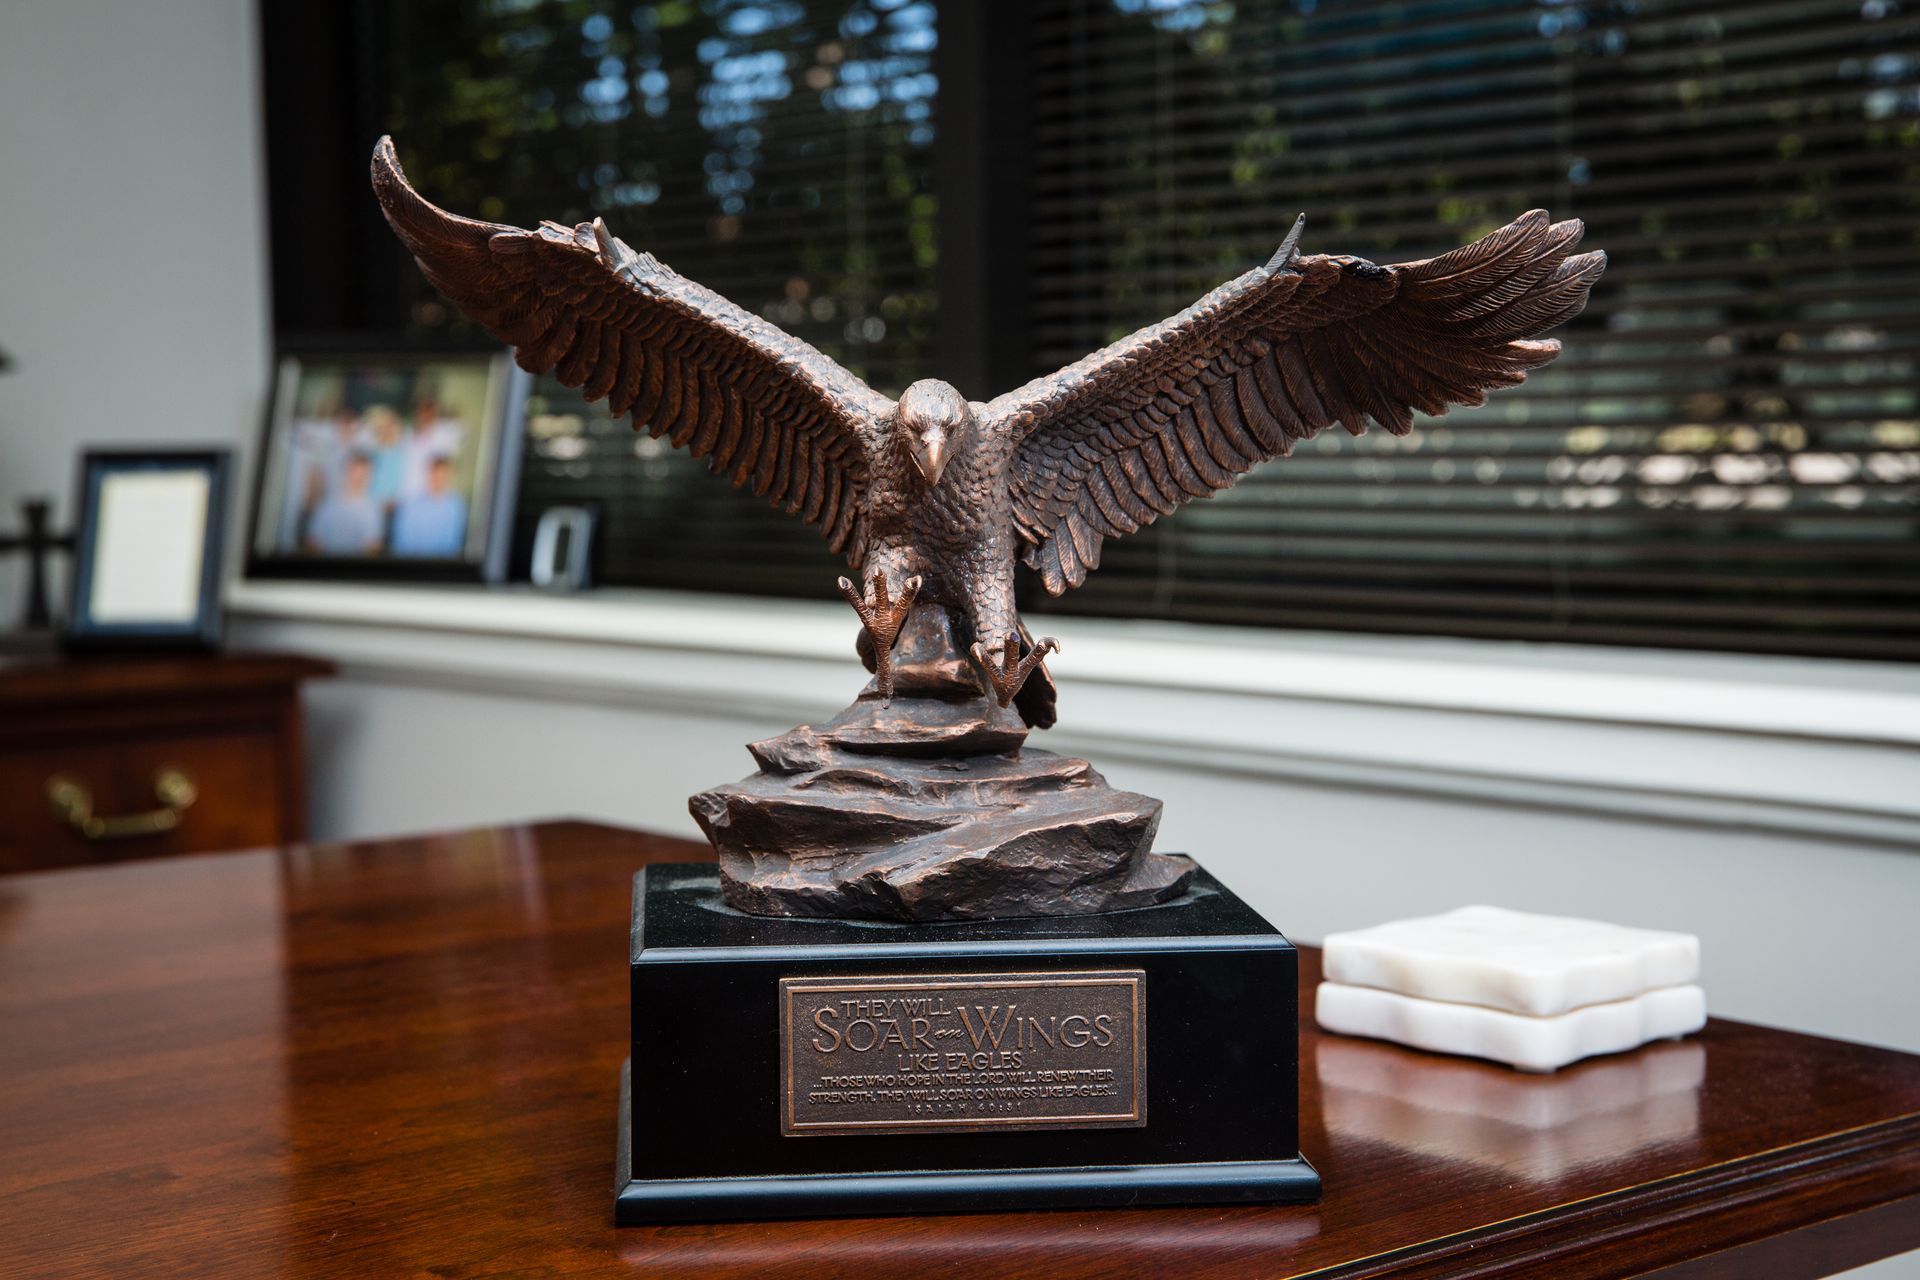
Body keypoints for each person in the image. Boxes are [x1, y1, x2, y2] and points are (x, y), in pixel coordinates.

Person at [304, 453, 384, 555]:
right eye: (355, 471)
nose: (359, 477)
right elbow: (313, 542)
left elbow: (372, 548)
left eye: (365, 474)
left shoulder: (373, 510)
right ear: (347, 471)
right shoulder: (327, 504)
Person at [389, 455, 468, 557]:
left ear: (450, 475)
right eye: (436, 474)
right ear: (428, 474)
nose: (439, 479)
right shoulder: (409, 505)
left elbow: (453, 545)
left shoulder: (457, 506)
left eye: (444, 475)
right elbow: (401, 544)